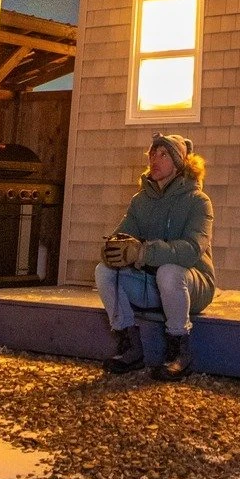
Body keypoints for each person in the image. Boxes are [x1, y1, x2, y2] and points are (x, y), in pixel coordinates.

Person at [95, 133, 215, 380]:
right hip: (150, 285)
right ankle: (130, 346)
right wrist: (112, 251)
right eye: (152, 154)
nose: (155, 160)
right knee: (104, 271)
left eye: (163, 155)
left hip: (193, 284)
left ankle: (178, 350)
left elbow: (192, 249)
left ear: (180, 162)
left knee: (169, 270)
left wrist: (143, 251)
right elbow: (122, 238)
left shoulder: (198, 201)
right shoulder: (141, 201)